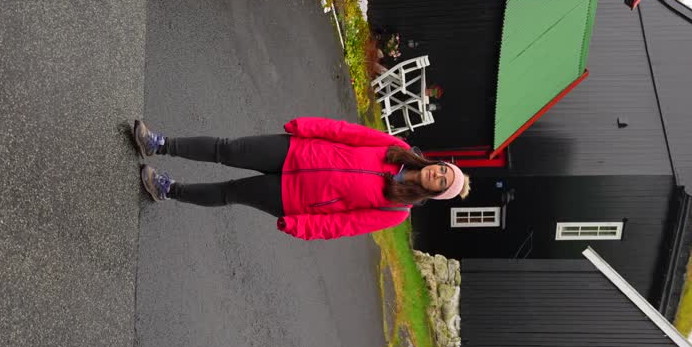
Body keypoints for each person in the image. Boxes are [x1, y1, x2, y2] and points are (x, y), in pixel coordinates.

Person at [132, 117, 470, 240]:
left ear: (434, 192)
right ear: (438, 163)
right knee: (227, 149)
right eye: (443, 169)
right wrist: (307, 127)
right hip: (296, 151)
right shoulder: (399, 148)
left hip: (291, 196)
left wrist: (300, 226)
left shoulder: (395, 210)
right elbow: (348, 133)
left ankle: (168, 189)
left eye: (442, 182)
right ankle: (159, 144)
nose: (437, 174)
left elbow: (343, 225)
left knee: (229, 193)